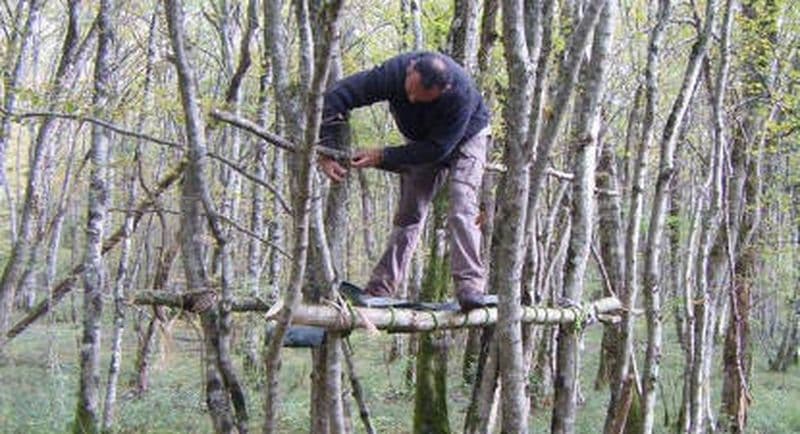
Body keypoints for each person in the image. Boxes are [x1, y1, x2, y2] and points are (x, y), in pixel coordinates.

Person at [318, 51, 491, 311]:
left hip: (468, 139)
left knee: (461, 205)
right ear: (409, 71)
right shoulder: (392, 73)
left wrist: (383, 156)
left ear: (444, 90)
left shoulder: (460, 95)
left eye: (420, 98)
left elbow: (438, 150)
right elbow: (338, 95)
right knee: (409, 214)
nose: (411, 100)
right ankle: (380, 288)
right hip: (424, 142)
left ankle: (470, 286)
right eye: (409, 93)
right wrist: (326, 150)